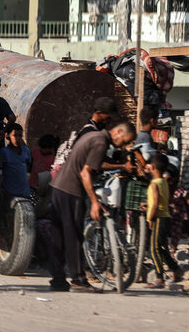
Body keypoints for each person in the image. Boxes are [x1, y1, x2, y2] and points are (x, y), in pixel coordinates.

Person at [49, 120, 137, 292]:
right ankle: (78, 280)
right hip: (71, 190)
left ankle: (58, 279)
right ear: (118, 131)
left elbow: (95, 163)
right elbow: (86, 172)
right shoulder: (101, 141)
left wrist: (119, 166)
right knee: (74, 237)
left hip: (58, 187)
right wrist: (95, 203)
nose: (124, 145)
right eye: (125, 140)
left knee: (58, 236)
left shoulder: (93, 136)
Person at [51, 97, 121, 178]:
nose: (110, 121)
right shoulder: (90, 131)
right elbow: (94, 161)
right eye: (108, 117)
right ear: (98, 113)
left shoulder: (95, 128)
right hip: (67, 176)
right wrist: (121, 166)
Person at [145, 153, 182, 288]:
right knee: (160, 247)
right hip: (165, 217)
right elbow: (160, 200)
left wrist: (149, 218)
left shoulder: (154, 184)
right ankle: (176, 269)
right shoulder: (164, 182)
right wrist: (146, 205)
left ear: (153, 167)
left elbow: (155, 204)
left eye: (148, 165)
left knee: (154, 248)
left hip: (158, 218)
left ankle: (159, 277)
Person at [0, 124, 32, 198]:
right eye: (15, 135)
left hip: (25, 192)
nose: (18, 138)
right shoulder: (4, 152)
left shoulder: (25, 150)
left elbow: (28, 166)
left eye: (20, 136)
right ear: (7, 136)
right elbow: (0, 171)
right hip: (10, 193)